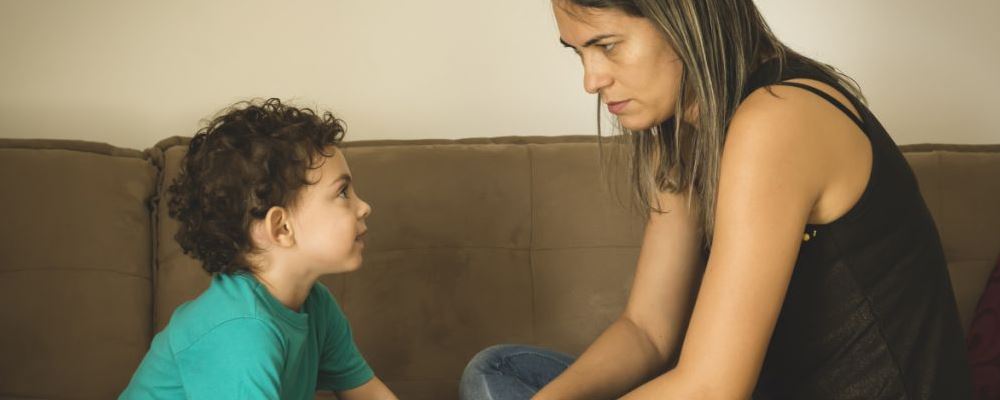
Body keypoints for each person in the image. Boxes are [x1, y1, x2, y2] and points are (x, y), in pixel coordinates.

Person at [460, 1, 973, 399]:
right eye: (579, 52)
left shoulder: (778, 118)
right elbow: (647, 331)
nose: (591, 80)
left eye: (608, 46)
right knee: (499, 372)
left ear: (684, 18)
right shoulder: (685, 132)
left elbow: (712, 389)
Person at [120, 98, 398, 400]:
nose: (365, 207)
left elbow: (366, 391)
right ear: (281, 228)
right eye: (343, 192)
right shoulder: (241, 331)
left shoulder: (316, 305)